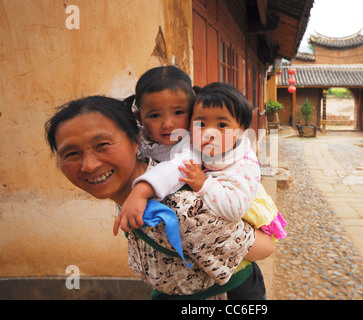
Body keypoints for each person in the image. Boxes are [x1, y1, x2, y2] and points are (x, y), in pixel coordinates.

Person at [45, 95, 274, 299]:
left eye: (102, 145)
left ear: (137, 141)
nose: (89, 165)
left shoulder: (180, 210)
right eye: (71, 153)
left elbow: (263, 247)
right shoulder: (131, 197)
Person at [179, 82, 287, 241]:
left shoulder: (244, 165)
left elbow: (234, 208)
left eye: (221, 125)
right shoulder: (210, 149)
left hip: (248, 227)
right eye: (201, 124)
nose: (209, 133)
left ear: (240, 130)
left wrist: (204, 184)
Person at [113, 66, 199, 236]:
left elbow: (181, 166)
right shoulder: (138, 139)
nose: (167, 123)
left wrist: (140, 191)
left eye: (178, 112)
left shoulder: (193, 143)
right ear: (139, 117)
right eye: (154, 115)